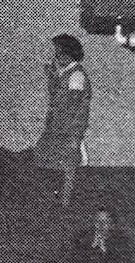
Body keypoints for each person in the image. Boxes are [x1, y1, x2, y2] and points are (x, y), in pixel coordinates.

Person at [35, 35, 91, 207]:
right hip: (57, 128)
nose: (54, 56)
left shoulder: (76, 75)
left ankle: (65, 205)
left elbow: (73, 105)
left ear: (67, 53)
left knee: (67, 168)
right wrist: (53, 77)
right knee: (47, 162)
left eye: (57, 52)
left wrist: (74, 136)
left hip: (67, 131)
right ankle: (54, 203)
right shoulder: (65, 74)